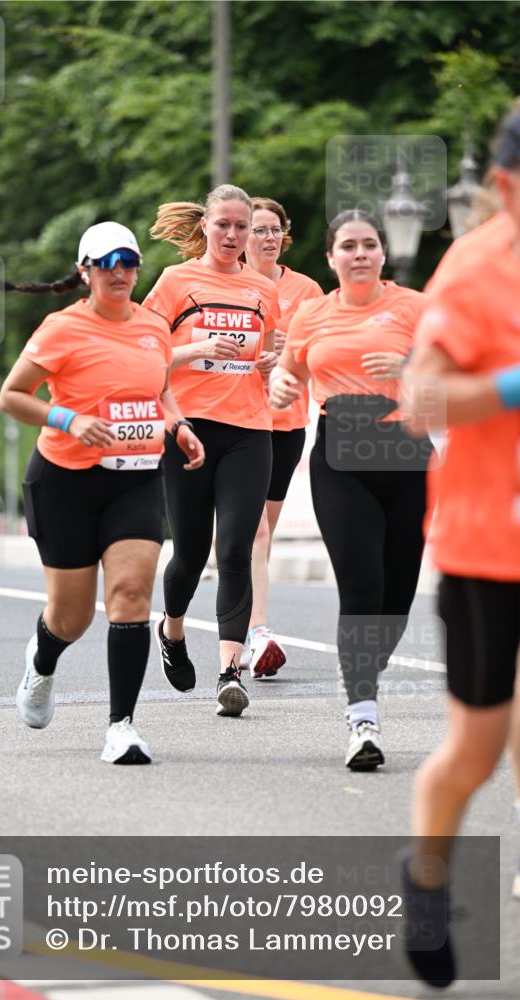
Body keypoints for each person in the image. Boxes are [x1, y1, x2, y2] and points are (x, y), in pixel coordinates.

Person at [0, 221, 204, 765]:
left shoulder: (155, 328)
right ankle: (42, 664)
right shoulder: (61, 329)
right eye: (107, 263)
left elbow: (158, 393)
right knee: (71, 617)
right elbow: (12, 396)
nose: (119, 273)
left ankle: (122, 728)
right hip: (64, 481)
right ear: (85, 271)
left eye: (129, 262)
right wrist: (67, 419)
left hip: (135, 478)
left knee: (132, 594)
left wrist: (178, 427)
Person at [400, 106, 520, 987]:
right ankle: (428, 875)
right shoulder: (475, 271)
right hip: (488, 550)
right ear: (506, 187)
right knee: (475, 752)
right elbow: (423, 400)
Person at [270, 209, 432, 769]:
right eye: (349, 245)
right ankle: (363, 714)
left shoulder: (416, 307)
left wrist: (413, 365)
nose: (360, 253)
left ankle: (364, 670)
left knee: (397, 595)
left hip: (407, 452)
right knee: (361, 584)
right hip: (340, 454)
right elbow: (288, 372)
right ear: (332, 257)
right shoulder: (313, 314)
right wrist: (280, 384)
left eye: (369, 245)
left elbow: (460, 376)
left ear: (382, 255)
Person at [144, 184, 279, 717]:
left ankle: (230, 671)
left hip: (250, 429)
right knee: (192, 552)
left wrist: (273, 363)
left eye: (241, 227)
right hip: (188, 430)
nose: (232, 235)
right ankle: (171, 629)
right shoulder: (177, 281)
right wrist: (197, 347)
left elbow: (263, 353)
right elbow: (145, 358)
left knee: (236, 550)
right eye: (223, 225)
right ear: (205, 225)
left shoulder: (261, 288)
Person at [241, 197, 324, 677]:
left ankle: (247, 613)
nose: (267, 238)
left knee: (260, 534)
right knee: (256, 530)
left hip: (287, 424)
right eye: (258, 230)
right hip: (237, 422)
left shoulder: (307, 290)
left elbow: (321, 355)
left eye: (274, 230)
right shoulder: (228, 284)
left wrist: (290, 356)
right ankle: (257, 632)